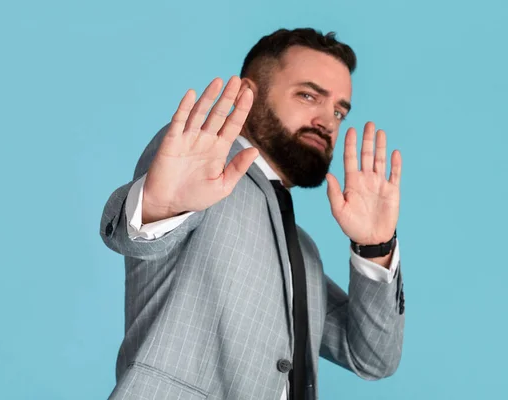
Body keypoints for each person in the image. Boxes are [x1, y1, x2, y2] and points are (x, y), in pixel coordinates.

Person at [100, 27, 405, 400]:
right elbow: (136, 235)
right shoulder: (199, 167)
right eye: (309, 95)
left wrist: (374, 247)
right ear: (249, 93)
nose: (328, 121)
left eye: (339, 110)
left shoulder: (303, 254)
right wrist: (159, 207)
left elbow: (372, 357)